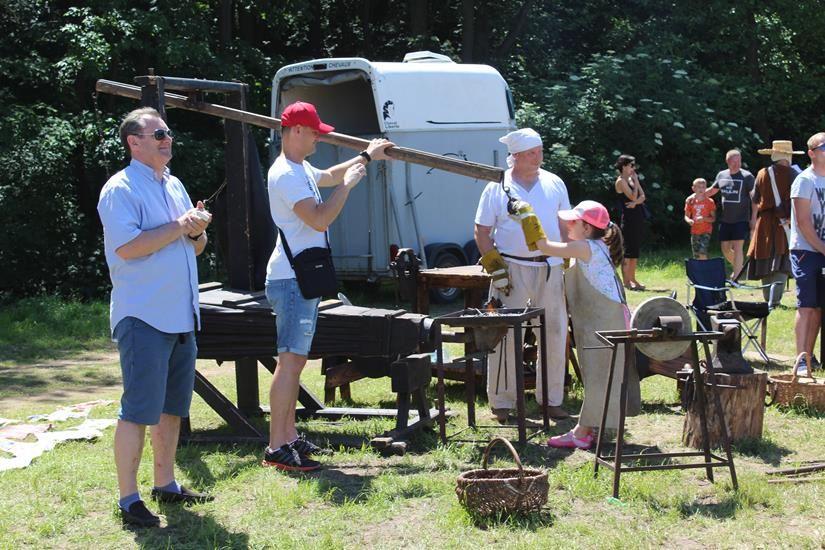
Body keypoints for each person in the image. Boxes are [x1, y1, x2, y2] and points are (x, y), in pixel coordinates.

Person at [97, 107, 214, 528]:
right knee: (138, 410)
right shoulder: (120, 188)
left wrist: (196, 230)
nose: (168, 139)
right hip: (143, 316)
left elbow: (193, 249)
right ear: (135, 142)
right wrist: (180, 225)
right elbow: (127, 247)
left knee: (171, 409)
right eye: (159, 133)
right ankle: (128, 499)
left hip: (181, 314)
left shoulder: (175, 184)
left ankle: (165, 483)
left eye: (168, 132)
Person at [263, 101, 394, 471]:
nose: (321, 136)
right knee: (289, 363)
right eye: (315, 131)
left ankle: (288, 438)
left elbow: (329, 176)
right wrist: (350, 187)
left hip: (296, 277)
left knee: (295, 361)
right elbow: (320, 219)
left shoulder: (299, 167)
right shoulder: (286, 175)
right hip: (290, 279)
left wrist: (366, 157)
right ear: (297, 132)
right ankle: (276, 447)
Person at [474, 128, 571, 423]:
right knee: (503, 334)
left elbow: (565, 222)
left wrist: (566, 257)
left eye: (540, 151)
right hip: (511, 268)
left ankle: (551, 400)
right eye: (531, 153)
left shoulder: (554, 183)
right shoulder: (497, 186)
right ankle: (502, 402)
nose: (538, 157)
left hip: (549, 267)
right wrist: (496, 267)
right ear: (515, 156)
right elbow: (481, 230)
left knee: (554, 332)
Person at [528, 201, 640, 448]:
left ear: (587, 228)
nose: (568, 224)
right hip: (604, 320)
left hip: (604, 321)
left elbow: (544, 247)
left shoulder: (585, 247)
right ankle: (590, 428)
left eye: (573, 221)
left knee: (599, 377)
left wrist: (528, 219)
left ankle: (581, 434)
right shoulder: (597, 246)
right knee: (599, 377)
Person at [743, 140, 802, 306]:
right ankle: (774, 300)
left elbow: (755, 199)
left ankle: (767, 299)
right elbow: (798, 200)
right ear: (787, 156)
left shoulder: (762, 173)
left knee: (765, 256)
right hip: (784, 221)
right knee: (782, 259)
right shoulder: (793, 175)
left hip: (764, 222)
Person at [789, 132, 825, 375]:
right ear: (812, 153)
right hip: (805, 250)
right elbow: (802, 222)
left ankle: (811, 358)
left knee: (819, 308)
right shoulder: (804, 180)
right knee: (807, 306)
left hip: (822, 250)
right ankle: (801, 359)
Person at [705, 149, 755, 276]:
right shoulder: (722, 175)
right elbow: (712, 191)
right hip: (725, 219)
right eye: (734, 161)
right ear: (727, 162)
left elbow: (754, 199)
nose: (737, 164)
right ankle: (740, 267)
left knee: (738, 248)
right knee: (725, 249)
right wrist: (696, 196)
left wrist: (754, 218)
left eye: (739, 161)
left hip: (741, 218)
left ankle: (736, 276)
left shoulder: (747, 177)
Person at [614, 154, 647, 290]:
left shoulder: (632, 180)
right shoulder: (621, 181)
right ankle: (626, 282)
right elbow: (633, 196)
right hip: (627, 219)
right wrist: (636, 196)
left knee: (635, 250)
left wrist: (636, 184)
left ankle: (633, 279)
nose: (633, 168)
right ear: (624, 166)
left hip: (637, 217)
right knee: (627, 252)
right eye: (631, 165)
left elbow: (642, 196)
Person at [684, 178, 716, 260]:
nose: (701, 189)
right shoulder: (690, 201)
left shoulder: (710, 201)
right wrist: (689, 221)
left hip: (706, 230)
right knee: (696, 254)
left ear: (706, 188)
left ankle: (705, 270)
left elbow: (713, 218)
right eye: (698, 187)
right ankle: (699, 271)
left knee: (703, 251)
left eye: (703, 187)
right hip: (694, 231)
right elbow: (686, 216)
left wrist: (704, 219)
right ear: (693, 188)